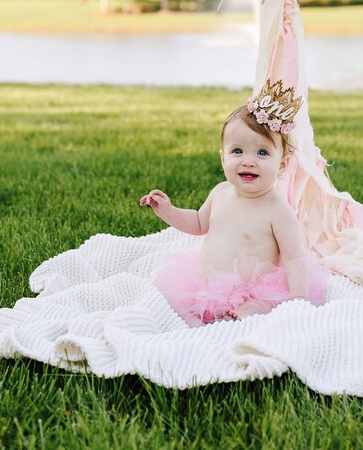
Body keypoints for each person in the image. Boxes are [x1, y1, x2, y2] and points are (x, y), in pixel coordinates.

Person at [140, 99, 328, 326]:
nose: (248, 161)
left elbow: (294, 258)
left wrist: (299, 299)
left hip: (254, 290)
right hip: (207, 284)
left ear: (282, 165)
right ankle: (201, 320)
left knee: (258, 307)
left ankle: (244, 315)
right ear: (223, 158)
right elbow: (199, 223)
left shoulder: (278, 210)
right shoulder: (220, 192)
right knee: (175, 302)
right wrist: (168, 211)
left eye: (262, 153)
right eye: (237, 151)